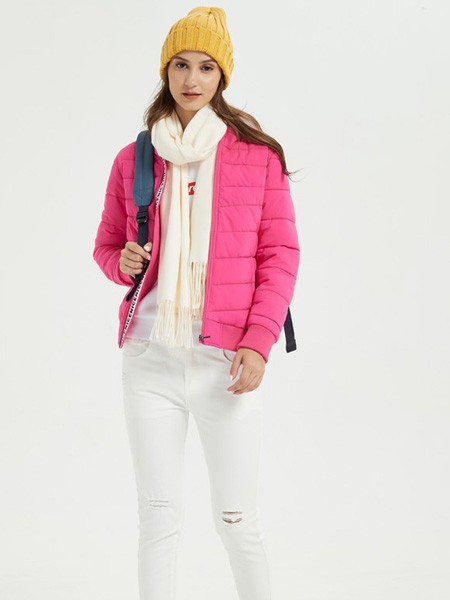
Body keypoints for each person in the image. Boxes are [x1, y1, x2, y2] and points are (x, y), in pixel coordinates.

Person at [93, 6, 300, 600]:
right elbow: (107, 246)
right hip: (149, 356)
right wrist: (122, 262)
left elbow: (280, 256)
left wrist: (259, 343)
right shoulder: (135, 158)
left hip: (225, 362)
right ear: (166, 71)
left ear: (222, 76)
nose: (192, 78)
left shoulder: (258, 157)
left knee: (237, 520)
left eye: (206, 67)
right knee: (158, 517)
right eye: (181, 64)